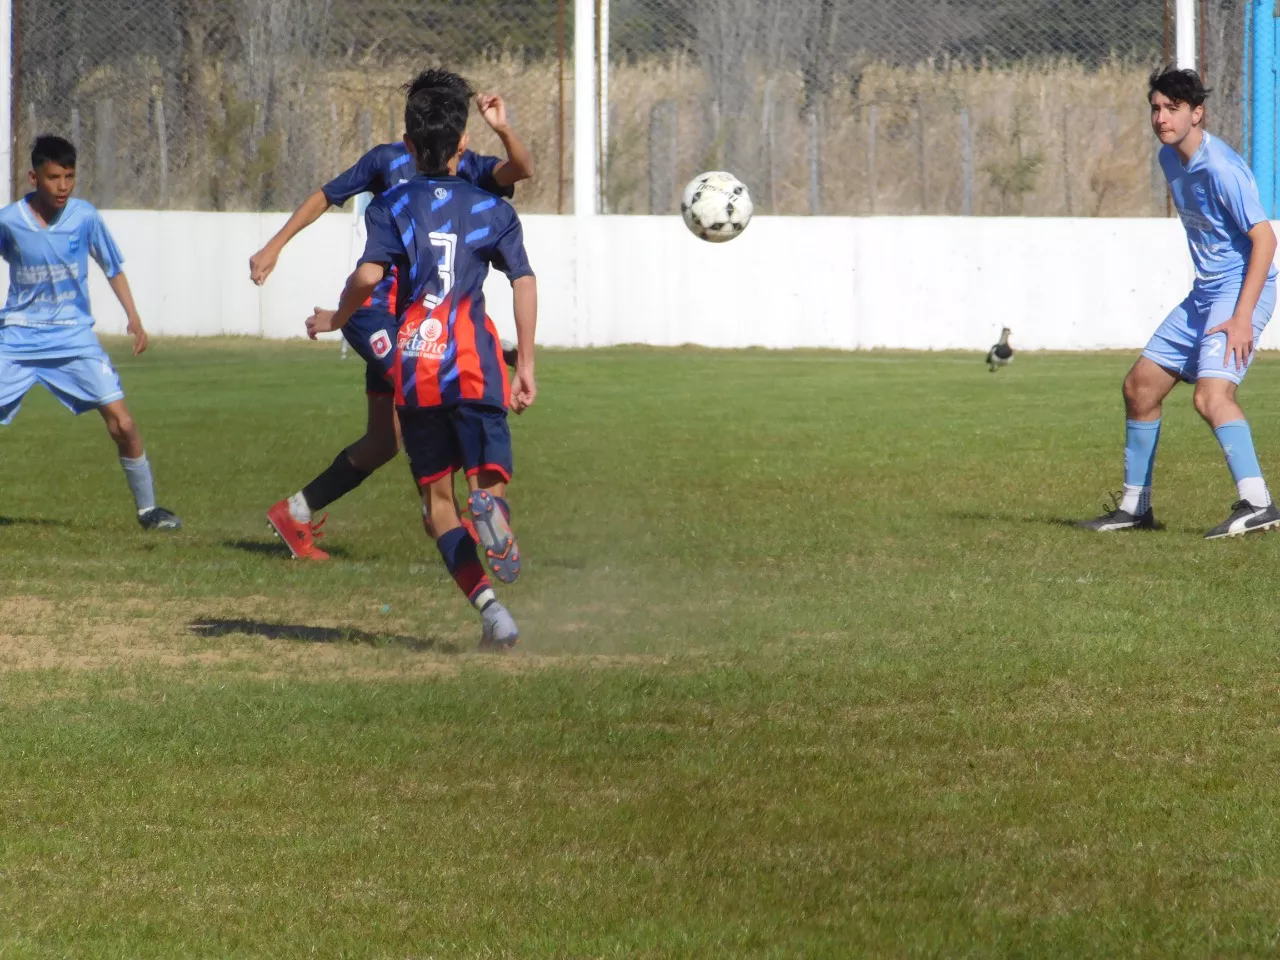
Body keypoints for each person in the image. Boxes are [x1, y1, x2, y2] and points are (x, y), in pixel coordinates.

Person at [254, 69, 534, 559]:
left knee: (385, 440)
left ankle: (294, 512)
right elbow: (327, 194)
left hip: (417, 323)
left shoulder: (462, 167)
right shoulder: (387, 160)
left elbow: (520, 169)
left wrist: (504, 129)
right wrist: (275, 245)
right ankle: (443, 510)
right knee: (435, 399)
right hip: (376, 316)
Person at [306, 87, 536, 650]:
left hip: (417, 368)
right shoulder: (494, 208)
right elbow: (524, 280)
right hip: (477, 365)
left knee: (438, 510)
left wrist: (337, 319)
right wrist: (525, 362)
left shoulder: (393, 205)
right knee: (486, 484)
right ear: (463, 143)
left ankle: (493, 616)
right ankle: (492, 510)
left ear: (409, 145)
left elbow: (366, 279)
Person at [1081, 67, 1280, 539]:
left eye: (1173, 109)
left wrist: (1241, 319)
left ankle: (1258, 503)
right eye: (1156, 108)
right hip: (1206, 291)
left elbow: (1265, 241)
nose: (1162, 117)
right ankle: (1135, 508)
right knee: (1140, 388)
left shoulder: (1221, 168)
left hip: (1241, 288)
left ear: (1197, 113)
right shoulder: (1169, 159)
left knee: (1211, 396)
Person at [0, 135, 181, 530]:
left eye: (69, 176)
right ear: (33, 177)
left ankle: (149, 510)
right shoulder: (9, 221)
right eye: (53, 177)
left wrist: (133, 316)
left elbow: (111, 266)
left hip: (73, 338)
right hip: (18, 338)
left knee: (124, 423)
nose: (63, 186)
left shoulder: (85, 217)